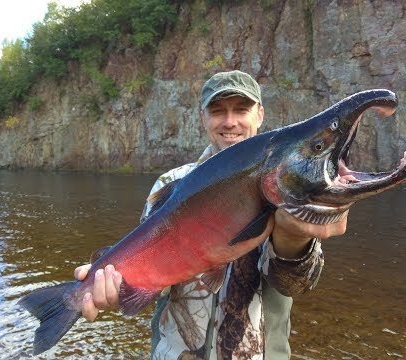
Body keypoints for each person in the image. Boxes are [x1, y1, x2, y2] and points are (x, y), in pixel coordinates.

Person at [74, 70, 348, 359]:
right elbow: (154, 272)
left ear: (260, 114)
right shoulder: (170, 184)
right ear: (202, 117)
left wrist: (294, 238)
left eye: (241, 109)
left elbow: (298, 283)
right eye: (217, 111)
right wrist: (118, 285)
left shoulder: (288, 182)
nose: (230, 122)